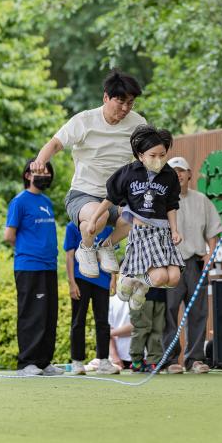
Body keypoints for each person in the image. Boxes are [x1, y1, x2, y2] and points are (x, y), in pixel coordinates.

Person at [31, 70, 146, 278]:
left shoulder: (138, 124)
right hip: (84, 195)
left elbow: (149, 152)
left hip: (117, 197)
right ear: (105, 97)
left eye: (130, 103)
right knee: (97, 217)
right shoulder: (85, 120)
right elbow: (56, 143)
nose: (125, 108)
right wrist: (41, 160)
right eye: (120, 102)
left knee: (140, 214)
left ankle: (107, 246)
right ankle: (85, 248)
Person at [85, 125, 184, 311]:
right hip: (141, 233)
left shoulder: (169, 174)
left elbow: (172, 205)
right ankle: (130, 277)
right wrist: (93, 220)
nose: (159, 160)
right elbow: (110, 199)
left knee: (174, 278)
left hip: (162, 233)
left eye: (162, 155)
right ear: (140, 155)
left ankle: (139, 283)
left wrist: (175, 230)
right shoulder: (129, 173)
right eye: (153, 155)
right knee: (160, 276)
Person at [162, 156, 222, 375]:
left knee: (198, 311)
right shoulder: (162, 200)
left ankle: (195, 359)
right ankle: (170, 360)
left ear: (189, 174)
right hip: (170, 264)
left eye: (181, 170)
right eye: (173, 171)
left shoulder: (202, 200)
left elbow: (213, 232)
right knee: (169, 312)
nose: (177, 174)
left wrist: (211, 254)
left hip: (196, 263)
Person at [5, 158, 63, 377]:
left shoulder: (47, 202)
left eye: (48, 172)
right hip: (29, 267)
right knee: (32, 314)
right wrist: (30, 250)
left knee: (49, 314)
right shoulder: (19, 201)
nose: (45, 175)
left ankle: (43, 361)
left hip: (49, 266)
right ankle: (27, 363)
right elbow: (9, 235)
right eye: (40, 171)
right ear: (28, 175)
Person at [64, 221, 119, 375]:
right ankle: (77, 362)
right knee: (78, 320)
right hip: (80, 278)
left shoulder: (107, 227)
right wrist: (71, 283)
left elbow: (111, 252)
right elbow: (69, 256)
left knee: (103, 322)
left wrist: (114, 278)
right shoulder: (73, 227)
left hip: (102, 280)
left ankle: (103, 361)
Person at [129, 287, 167, 372]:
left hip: (160, 293)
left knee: (157, 329)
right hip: (140, 293)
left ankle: (154, 361)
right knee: (141, 329)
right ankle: (137, 361)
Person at [108, 294, 133, 370]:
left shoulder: (145, 299)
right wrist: (114, 355)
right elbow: (106, 328)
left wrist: (110, 333)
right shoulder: (111, 300)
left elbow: (139, 326)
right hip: (117, 361)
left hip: (141, 360)